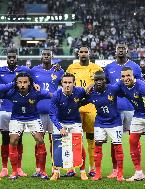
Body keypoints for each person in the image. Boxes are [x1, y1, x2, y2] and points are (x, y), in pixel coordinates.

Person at [104, 43, 143, 178]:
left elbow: (141, 85)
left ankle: (138, 170)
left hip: (132, 109)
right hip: (115, 109)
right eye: (118, 49)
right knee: (115, 140)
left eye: (123, 49)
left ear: (127, 51)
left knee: (135, 139)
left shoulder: (135, 67)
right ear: (115, 51)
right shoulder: (109, 67)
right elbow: (105, 86)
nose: (120, 51)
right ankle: (115, 169)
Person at [118, 67, 145, 184]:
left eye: (128, 75)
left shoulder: (142, 87)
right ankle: (138, 173)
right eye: (123, 76)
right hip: (138, 114)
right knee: (132, 140)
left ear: (133, 76)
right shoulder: (121, 85)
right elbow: (110, 88)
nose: (126, 78)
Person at [5, 72, 51, 180]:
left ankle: (42, 171)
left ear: (29, 83)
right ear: (16, 83)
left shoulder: (36, 92)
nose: (22, 85)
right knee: (13, 140)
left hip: (33, 118)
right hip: (16, 118)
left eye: (25, 82)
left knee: (40, 140)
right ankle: (14, 172)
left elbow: (52, 95)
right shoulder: (11, 93)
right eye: (20, 82)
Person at [66, 45, 103, 176]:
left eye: (85, 52)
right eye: (81, 51)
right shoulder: (72, 67)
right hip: (75, 106)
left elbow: (103, 82)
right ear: (78, 53)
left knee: (91, 138)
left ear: (89, 53)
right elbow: (66, 83)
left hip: (91, 107)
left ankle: (92, 168)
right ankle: (71, 167)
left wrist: (94, 83)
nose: (83, 54)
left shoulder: (96, 68)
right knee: (73, 137)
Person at [83, 71, 124, 182]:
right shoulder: (91, 93)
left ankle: (120, 173)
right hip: (100, 122)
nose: (99, 82)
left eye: (101, 79)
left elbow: (125, 90)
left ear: (105, 80)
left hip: (115, 122)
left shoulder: (113, 89)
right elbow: (81, 102)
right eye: (96, 80)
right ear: (94, 81)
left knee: (118, 148)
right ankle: (98, 173)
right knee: (97, 147)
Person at [0, 48, 29, 177]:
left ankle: (18, 168)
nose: (12, 59)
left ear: (17, 58)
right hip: (4, 110)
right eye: (9, 57)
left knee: (19, 140)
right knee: (4, 140)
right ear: (7, 58)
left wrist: (55, 67)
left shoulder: (24, 71)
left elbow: (37, 75)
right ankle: (4, 168)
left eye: (14, 57)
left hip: (19, 111)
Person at [30, 48, 64, 177]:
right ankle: (39, 169)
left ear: (52, 56)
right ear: (41, 56)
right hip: (37, 112)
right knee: (38, 141)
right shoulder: (34, 71)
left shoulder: (59, 71)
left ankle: (56, 169)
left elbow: (68, 83)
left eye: (48, 55)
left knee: (55, 141)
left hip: (54, 112)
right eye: (44, 54)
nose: (46, 56)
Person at [49, 73, 88, 181]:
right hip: (60, 122)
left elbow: (89, 97)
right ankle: (56, 172)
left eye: (69, 82)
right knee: (56, 146)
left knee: (79, 146)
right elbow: (52, 114)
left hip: (75, 122)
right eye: (65, 82)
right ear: (61, 83)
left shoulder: (80, 91)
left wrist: (80, 103)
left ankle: (82, 171)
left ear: (74, 83)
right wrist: (60, 127)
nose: (67, 85)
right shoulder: (56, 95)